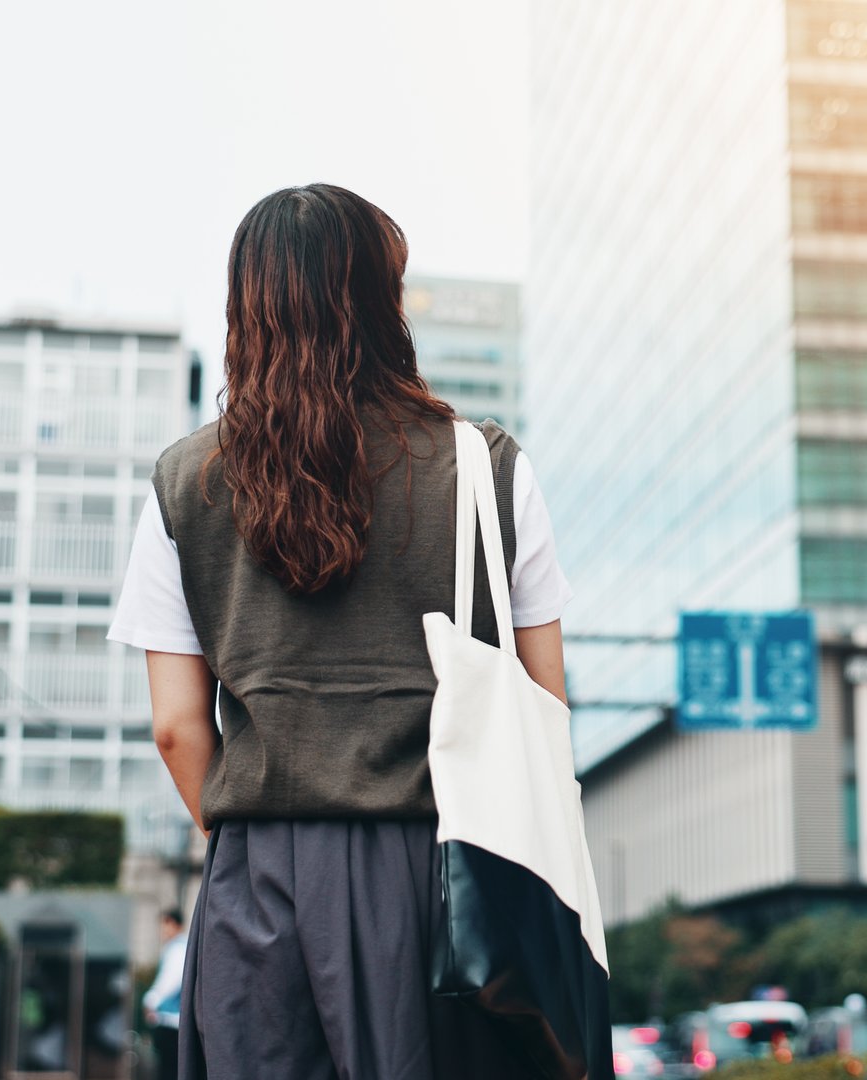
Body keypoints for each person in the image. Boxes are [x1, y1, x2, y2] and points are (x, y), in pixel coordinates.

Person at [109, 183, 574, 1079]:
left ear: (246, 305)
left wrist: (256, 843)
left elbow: (176, 727)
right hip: (445, 881)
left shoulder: (185, 481)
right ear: (381, 299)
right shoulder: (486, 469)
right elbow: (544, 703)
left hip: (256, 880)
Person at [141, 908, 188, 1080]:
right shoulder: (181, 947)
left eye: (165, 924)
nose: (162, 930)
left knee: (168, 1071)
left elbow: (169, 981)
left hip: (171, 1022)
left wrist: (150, 1001)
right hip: (175, 1022)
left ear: (174, 924)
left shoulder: (177, 949)